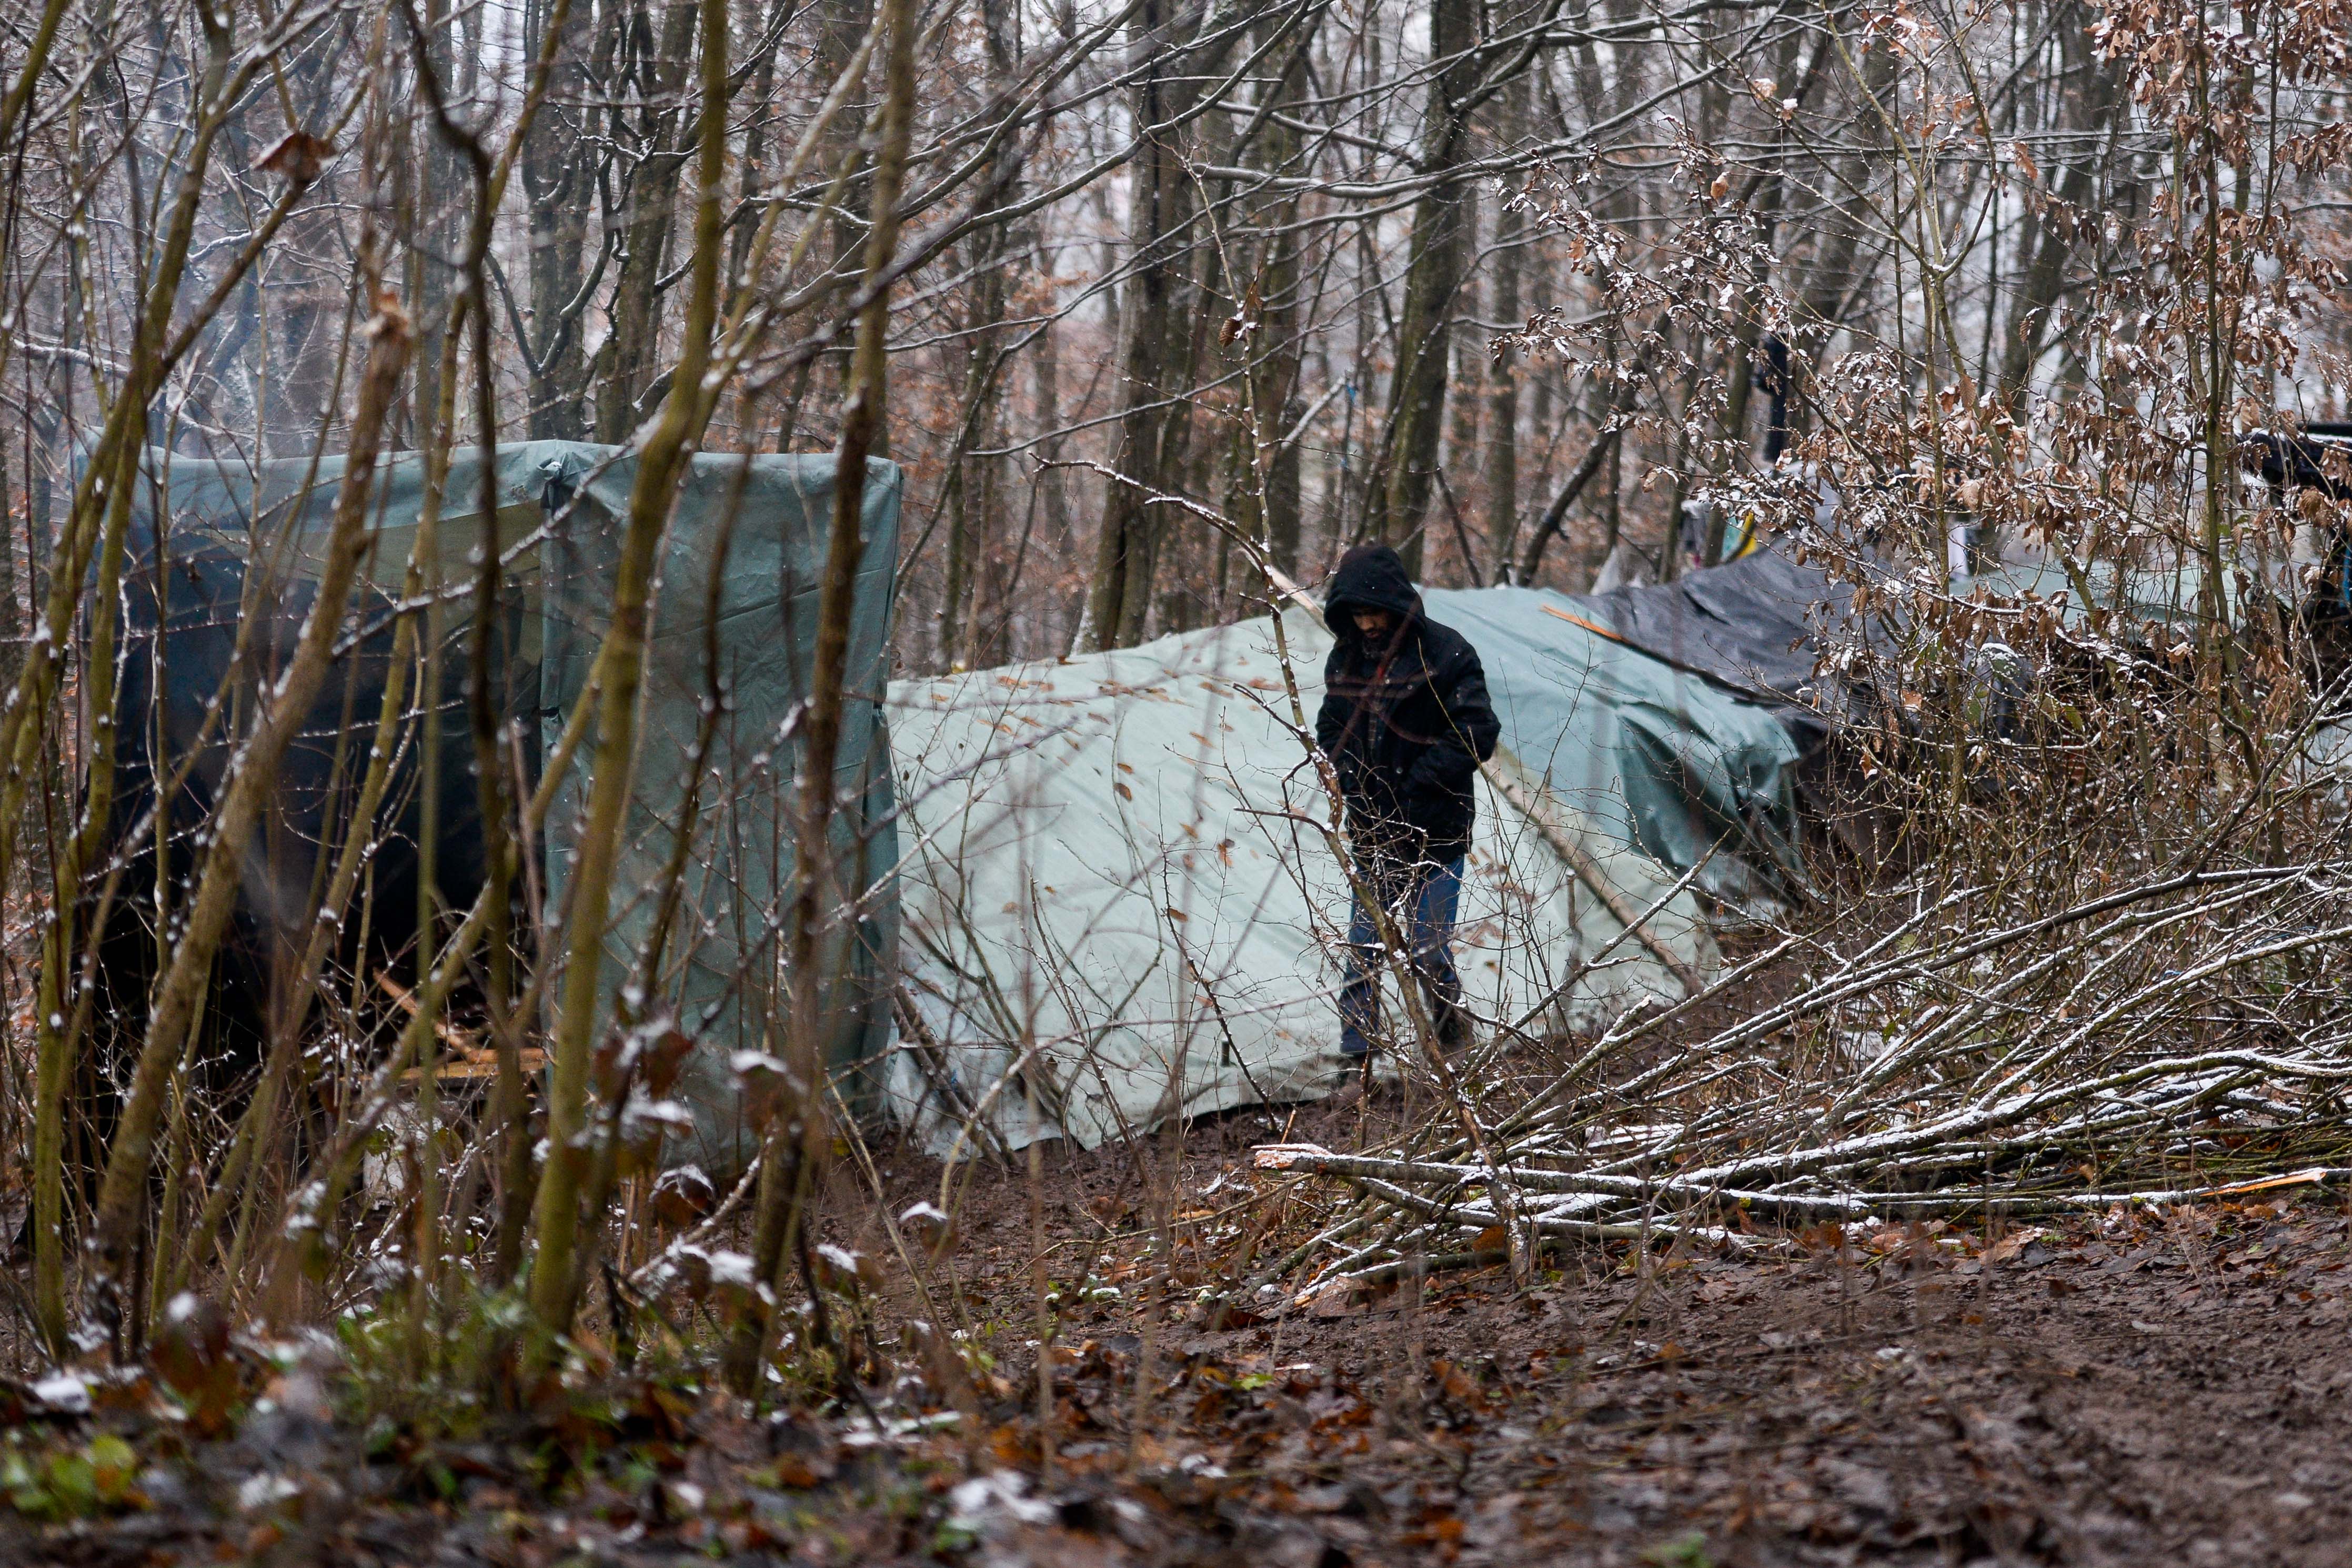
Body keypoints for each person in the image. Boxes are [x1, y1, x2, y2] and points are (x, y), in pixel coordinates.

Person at [1314, 544, 1500, 1064]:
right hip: (1373, 834)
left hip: (1436, 833)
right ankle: (1356, 1066)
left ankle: (1453, 1049)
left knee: (1427, 950)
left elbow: (1477, 730)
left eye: (1375, 612)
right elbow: (1332, 723)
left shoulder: (1446, 654)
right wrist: (1350, 770)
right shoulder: (1347, 658)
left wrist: (1420, 781)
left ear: (1396, 605)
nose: (1368, 624)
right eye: (1358, 613)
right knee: (1364, 952)